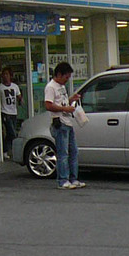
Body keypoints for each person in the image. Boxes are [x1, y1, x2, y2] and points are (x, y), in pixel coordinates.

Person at [45, 61, 85, 190]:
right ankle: (63, 180)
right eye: (66, 77)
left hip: (67, 121)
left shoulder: (61, 87)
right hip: (60, 122)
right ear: (59, 74)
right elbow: (48, 105)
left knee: (73, 151)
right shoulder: (51, 87)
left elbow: (62, 102)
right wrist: (65, 109)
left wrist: (71, 100)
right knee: (63, 153)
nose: (67, 80)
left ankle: (73, 178)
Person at [0, 67, 22, 157]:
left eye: (7, 74)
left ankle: (7, 149)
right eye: (4, 74)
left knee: (10, 132)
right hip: (5, 112)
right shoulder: (0, 87)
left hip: (13, 112)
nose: (5, 76)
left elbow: (19, 96)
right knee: (12, 132)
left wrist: (20, 100)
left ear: (10, 76)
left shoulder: (15, 86)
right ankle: (7, 149)